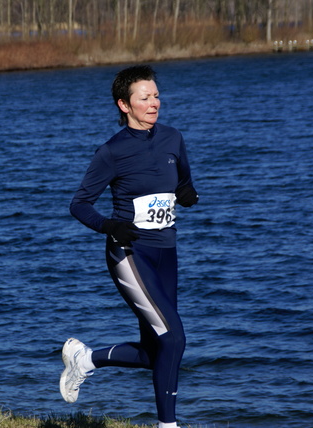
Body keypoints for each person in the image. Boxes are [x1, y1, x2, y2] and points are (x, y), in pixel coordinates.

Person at [61, 65, 198, 428]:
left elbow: (182, 182)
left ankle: (87, 359)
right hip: (129, 254)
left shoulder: (173, 138)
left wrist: (187, 194)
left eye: (156, 95)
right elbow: (79, 204)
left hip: (167, 253)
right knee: (174, 337)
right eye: (145, 97)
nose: (154, 103)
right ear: (124, 104)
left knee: (159, 351)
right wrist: (109, 225)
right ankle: (168, 425)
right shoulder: (111, 152)